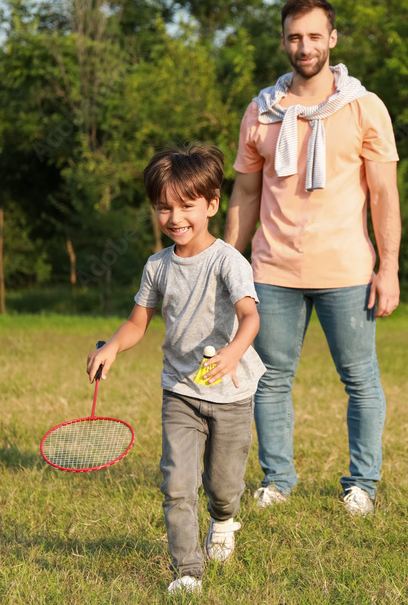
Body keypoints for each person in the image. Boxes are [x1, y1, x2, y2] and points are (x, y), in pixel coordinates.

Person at [225, 0, 401, 517]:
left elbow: (385, 194)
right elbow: (245, 195)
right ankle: (277, 479)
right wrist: (228, 264)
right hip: (273, 270)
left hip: (346, 269)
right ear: (283, 41)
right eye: (295, 37)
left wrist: (388, 268)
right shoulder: (260, 111)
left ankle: (362, 485)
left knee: (360, 379)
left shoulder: (363, 107)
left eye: (314, 36)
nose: (305, 46)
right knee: (270, 380)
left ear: (333, 39)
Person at [86, 142, 265, 595]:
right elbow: (137, 322)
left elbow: (250, 316)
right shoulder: (157, 266)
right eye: (163, 208)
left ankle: (223, 521)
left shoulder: (228, 261)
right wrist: (112, 347)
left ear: (211, 204)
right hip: (180, 392)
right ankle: (188, 571)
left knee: (222, 486)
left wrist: (231, 354)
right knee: (178, 485)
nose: (175, 217)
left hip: (231, 394)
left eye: (186, 205)